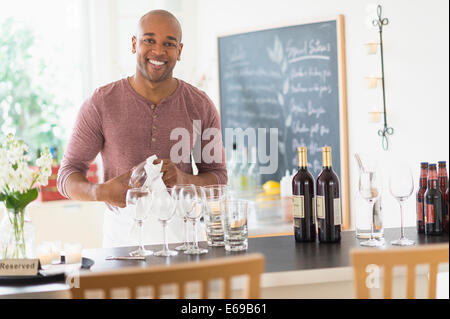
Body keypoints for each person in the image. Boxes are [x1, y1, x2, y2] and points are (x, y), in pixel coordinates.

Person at [57, 10, 227, 247]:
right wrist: (102, 192)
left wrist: (182, 179)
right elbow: (67, 175)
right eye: (149, 40)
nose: (158, 51)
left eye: (169, 43)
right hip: (122, 240)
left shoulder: (200, 105)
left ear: (179, 51)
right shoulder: (101, 102)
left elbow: (218, 179)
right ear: (134, 44)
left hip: (183, 237)